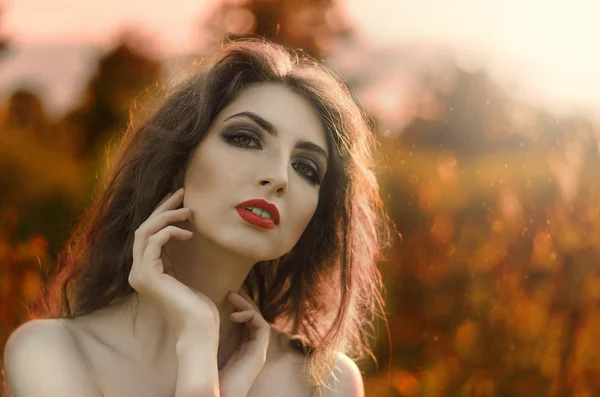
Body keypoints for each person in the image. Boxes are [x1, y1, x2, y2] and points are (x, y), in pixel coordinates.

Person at [3, 39, 390, 397]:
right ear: (178, 158)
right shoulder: (51, 353)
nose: (279, 177)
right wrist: (196, 340)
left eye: (306, 166)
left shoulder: (326, 384)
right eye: (245, 139)